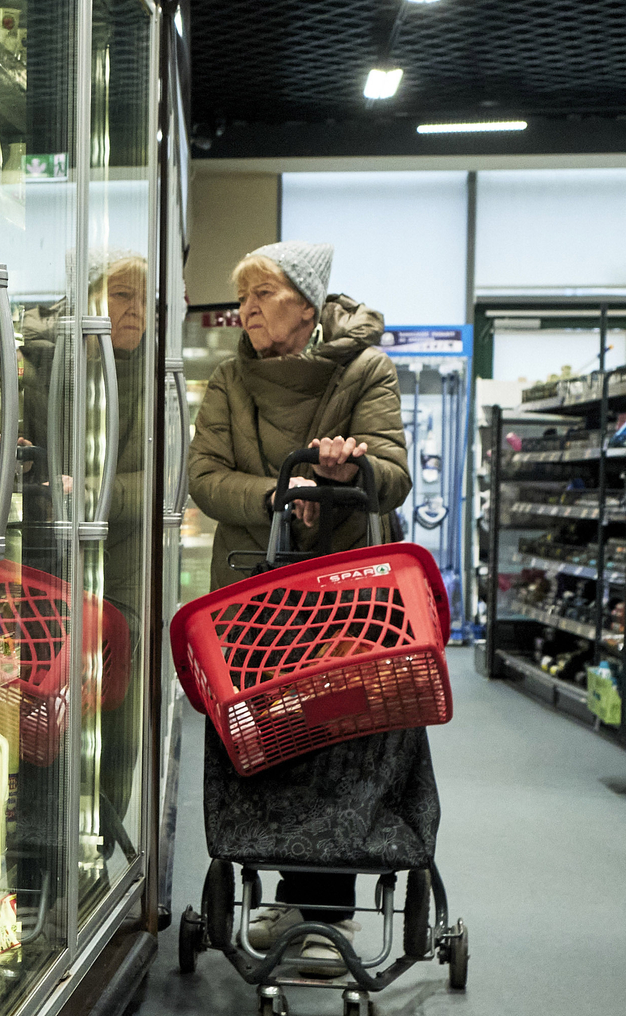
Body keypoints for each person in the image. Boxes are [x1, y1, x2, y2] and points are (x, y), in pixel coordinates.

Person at [185, 241, 413, 968]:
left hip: (350, 595)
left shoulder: (366, 370)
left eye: (263, 295)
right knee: (264, 730)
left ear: (308, 305)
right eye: (242, 297)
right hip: (256, 581)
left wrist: (355, 470)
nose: (246, 310)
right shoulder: (228, 381)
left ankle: (324, 903)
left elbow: (395, 475)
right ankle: (275, 879)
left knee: (338, 729)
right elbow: (205, 479)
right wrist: (277, 495)